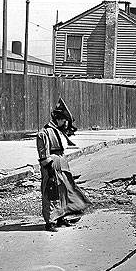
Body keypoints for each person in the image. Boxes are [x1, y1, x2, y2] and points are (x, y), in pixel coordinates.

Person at [36, 98, 90, 232]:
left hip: (62, 163)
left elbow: (70, 131)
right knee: (51, 192)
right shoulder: (44, 132)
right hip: (52, 164)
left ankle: (61, 217)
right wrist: (48, 169)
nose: (65, 123)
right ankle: (50, 222)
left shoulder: (58, 130)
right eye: (64, 120)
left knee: (64, 191)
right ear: (58, 119)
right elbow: (43, 153)